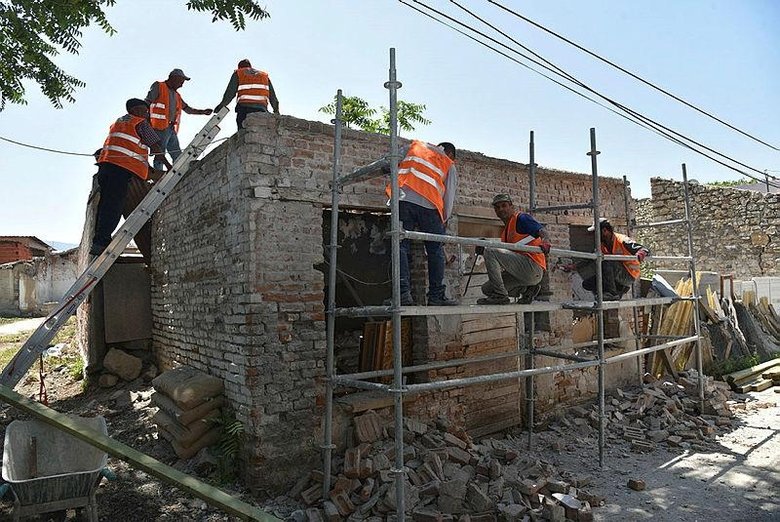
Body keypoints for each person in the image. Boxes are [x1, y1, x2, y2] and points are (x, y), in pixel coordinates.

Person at [90, 99, 171, 256]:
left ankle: (99, 240)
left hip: (106, 167)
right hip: (120, 169)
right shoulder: (140, 123)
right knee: (114, 205)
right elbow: (155, 146)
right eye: (145, 111)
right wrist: (168, 166)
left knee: (105, 205)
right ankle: (102, 242)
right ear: (136, 110)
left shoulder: (118, 123)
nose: (147, 115)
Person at [384, 140, 459, 306]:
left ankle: (402, 294)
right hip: (429, 205)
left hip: (403, 199)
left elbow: (390, 160)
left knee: (400, 245)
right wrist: (444, 218)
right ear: (450, 154)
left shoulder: (414, 146)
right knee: (435, 249)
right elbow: (449, 196)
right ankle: (436, 296)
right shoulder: (448, 163)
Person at [476, 194, 551, 305]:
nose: (501, 209)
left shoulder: (521, 218)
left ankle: (500, 296)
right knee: (487, 289)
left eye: (504, 205)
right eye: (497, 207)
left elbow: (542, 231)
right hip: (521, 272)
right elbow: (505, 257)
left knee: (490, 250)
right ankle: (527, 290)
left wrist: (546, 241)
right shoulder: (505, 233)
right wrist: (484, 249)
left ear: (512, 207)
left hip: (532, 267)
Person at [145, 69, 212, 169]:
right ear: (174, 78)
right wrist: (146, 123)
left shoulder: (177, 95)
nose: (181, 85)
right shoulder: (159, 86)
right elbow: (147, 103)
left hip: (170, 128)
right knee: (160, 154)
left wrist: (203, 112)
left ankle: (179, 171)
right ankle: (158, 173)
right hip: (159, 127)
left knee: (176, 153)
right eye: (181, 82)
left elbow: (187, 109)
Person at [582, 218, 649, 300]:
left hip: (629, 274)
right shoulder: (602, 245)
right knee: (587, 284)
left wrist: (641, 253)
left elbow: (643, 249)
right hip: (615, 275)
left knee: (607, 260)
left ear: (604, 230)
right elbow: (590, 258)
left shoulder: (622, 240)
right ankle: (616, 291)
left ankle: (612, 294)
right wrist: (574, 266)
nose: (594, 236)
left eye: (596, 233)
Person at [214, 59, 280, 129]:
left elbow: (229, 94)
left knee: (243, 133)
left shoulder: (239, 73)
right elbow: (272, 96)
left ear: (239, 67)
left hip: (244, 110)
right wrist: (276, 111)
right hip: (262, 110)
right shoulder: (264, 76)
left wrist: (221, 106)